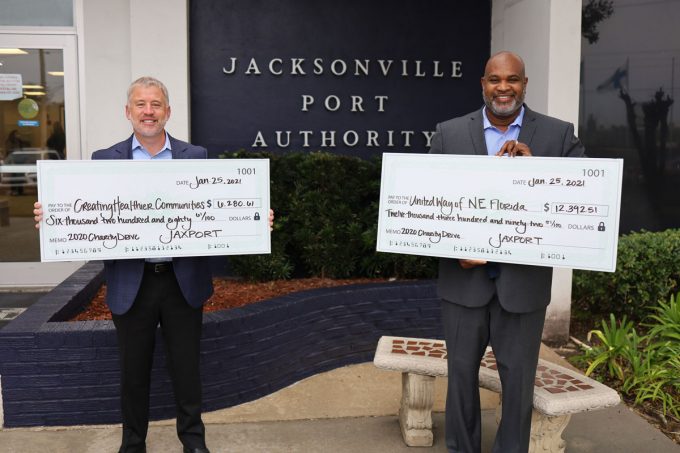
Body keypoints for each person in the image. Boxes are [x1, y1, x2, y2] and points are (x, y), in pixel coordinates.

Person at [34, 76, 274, 453]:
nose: (149, 112)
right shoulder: (105, 160)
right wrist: (53, 216)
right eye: (141, 105)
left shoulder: (194, 156)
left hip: (182, 282)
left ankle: (194, 443)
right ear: (128, 112)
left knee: (187, 370)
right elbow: (83, 210)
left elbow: (215, 206)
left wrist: (254, 217)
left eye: (156, 104)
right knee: (133, 374)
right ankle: (133, 445)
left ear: (168, 112)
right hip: (133, 282)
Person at [429, 51, 585, 453]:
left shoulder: (558, 135)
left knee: (518, 385)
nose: (504, 88)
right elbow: (428, 204)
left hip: (523, 284)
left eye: (512, 79)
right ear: (483, 84)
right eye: (495, 80)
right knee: (460, 376)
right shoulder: (447, 134)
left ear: (525, 84)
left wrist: (539, 175)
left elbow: (580, 203)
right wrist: (455, 248)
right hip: (464, 284)